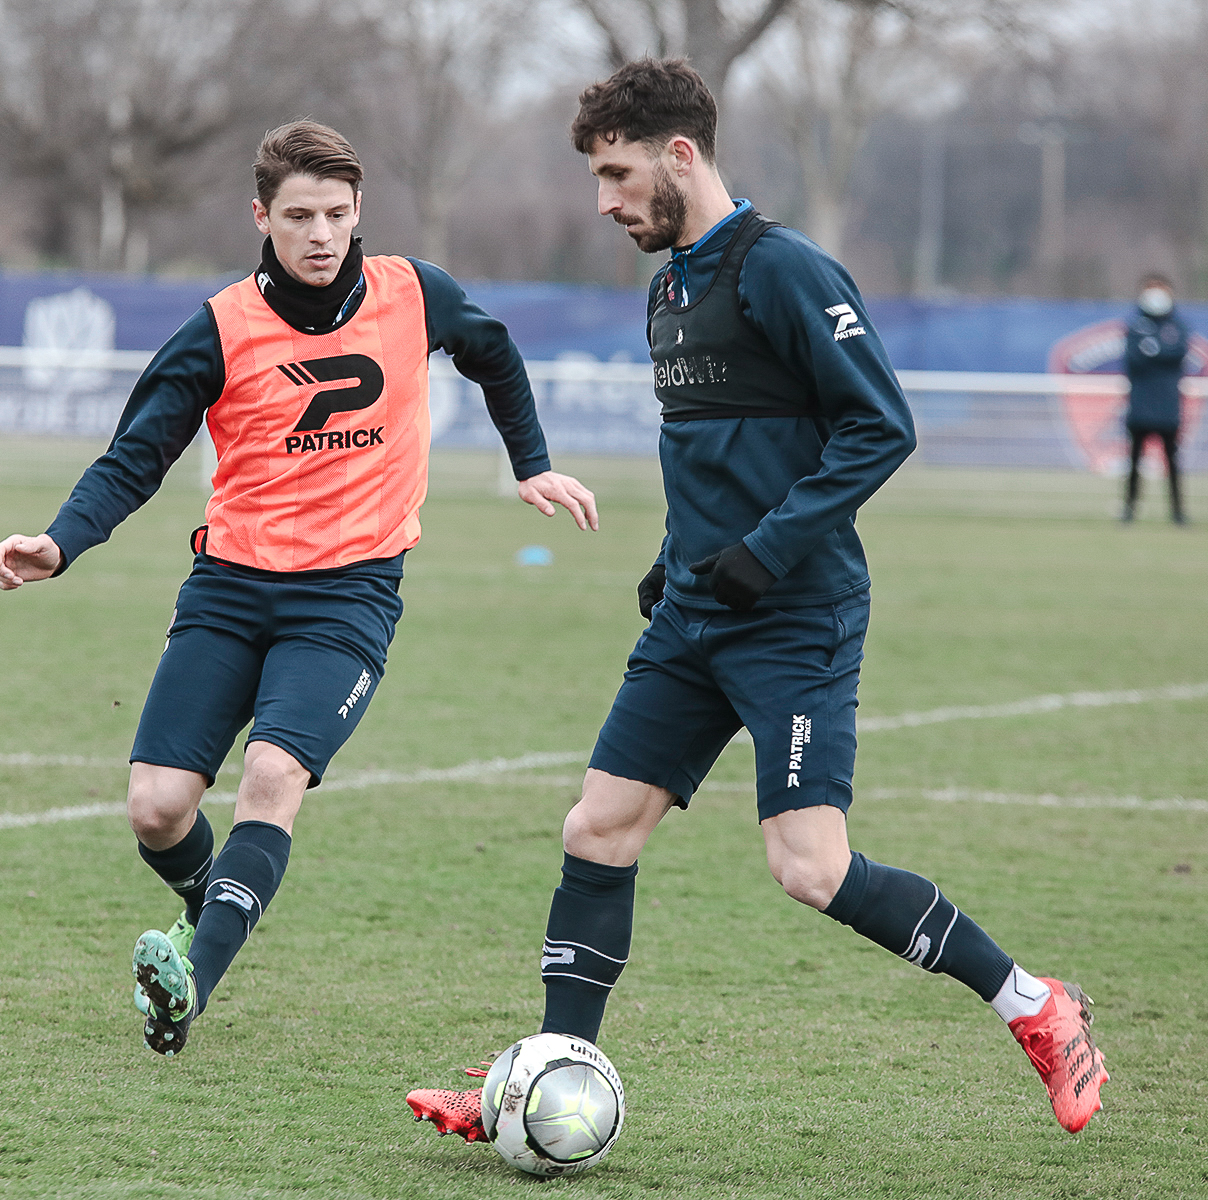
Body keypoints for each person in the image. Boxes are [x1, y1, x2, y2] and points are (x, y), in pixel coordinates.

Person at [406, 59, 1106, 1141]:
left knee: (808, 869)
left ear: (679, 154)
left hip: (795, 615)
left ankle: (1038, 1005)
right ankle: (545, 1075)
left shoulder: (782, 269)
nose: (605, 200)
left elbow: (881, 426)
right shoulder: (667, 287)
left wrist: (765, 553)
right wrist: (677, 554)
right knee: (597, 829)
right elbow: (719, 449)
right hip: (694, 609)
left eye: (617, 171)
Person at [0, 120, 597, 1058]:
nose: (322, 235)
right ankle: (215, 904)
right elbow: (135, 458)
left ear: (361, 215)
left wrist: (532, 463)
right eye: (301, 215)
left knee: (273, 777)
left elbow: (496, 353)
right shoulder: (221, 327)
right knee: (156, 808)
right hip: (230, 589)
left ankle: (190, 984)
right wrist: (60, 543)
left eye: (340, 215)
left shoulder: (412, 294)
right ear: (261, 216)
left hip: (348, 598)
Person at [1122, 273, 1190, 525]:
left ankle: (1178, 512)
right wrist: (1158, 352)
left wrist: (1154, 350)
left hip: (1168, 407)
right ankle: (1129, 510)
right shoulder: (1135, 325)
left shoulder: (1178, 326)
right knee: (1134, 462)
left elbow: (1177, 355)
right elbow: (1134, 360)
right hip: (1139, 406)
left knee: (1172, 463)